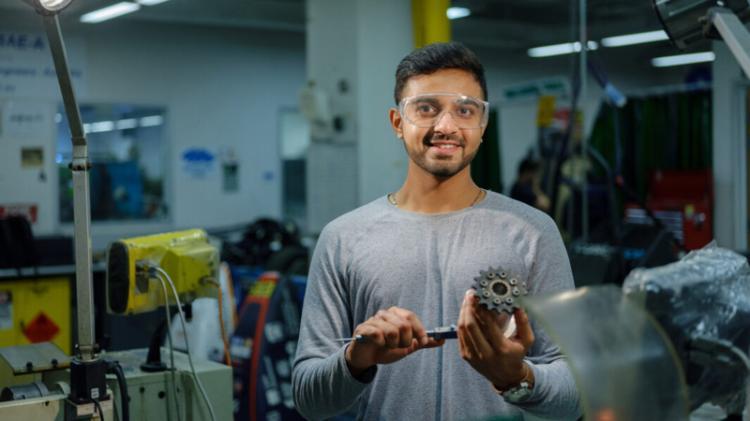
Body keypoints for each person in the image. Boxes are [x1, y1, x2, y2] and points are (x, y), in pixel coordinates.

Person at [292, 42, 580, 421]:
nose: (446, 126)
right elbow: (308, 400)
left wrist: (517, 378)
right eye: (426, 108)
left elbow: (577, 392)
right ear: (398, 122)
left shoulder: (532, 232)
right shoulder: (343, 239)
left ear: (482, 124)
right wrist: (356, 358)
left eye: (465, 110)